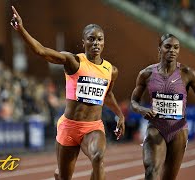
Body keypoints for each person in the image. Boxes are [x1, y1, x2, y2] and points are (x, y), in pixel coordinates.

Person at [10, 6, 125, 180]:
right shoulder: (74, 61)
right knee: (64, 177)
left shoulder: (111, 70)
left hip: (92, 127)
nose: (96, 43)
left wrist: (120, 115)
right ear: (83, 42)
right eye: (91, 39)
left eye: (100, 39)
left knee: (98, 157)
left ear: (104, 42)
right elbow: (41, 51)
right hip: (69, 127)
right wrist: (21, 29)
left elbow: (107, 95)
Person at [130, 33, 195, 180]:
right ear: (159, 49)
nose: (172, 51)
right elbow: (133, 101)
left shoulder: (187, 73)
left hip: (178, 130)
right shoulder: (146, 74)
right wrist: (141, 109)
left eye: (176, 47)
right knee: (151, 171)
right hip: (155, 128)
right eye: (168, 47)